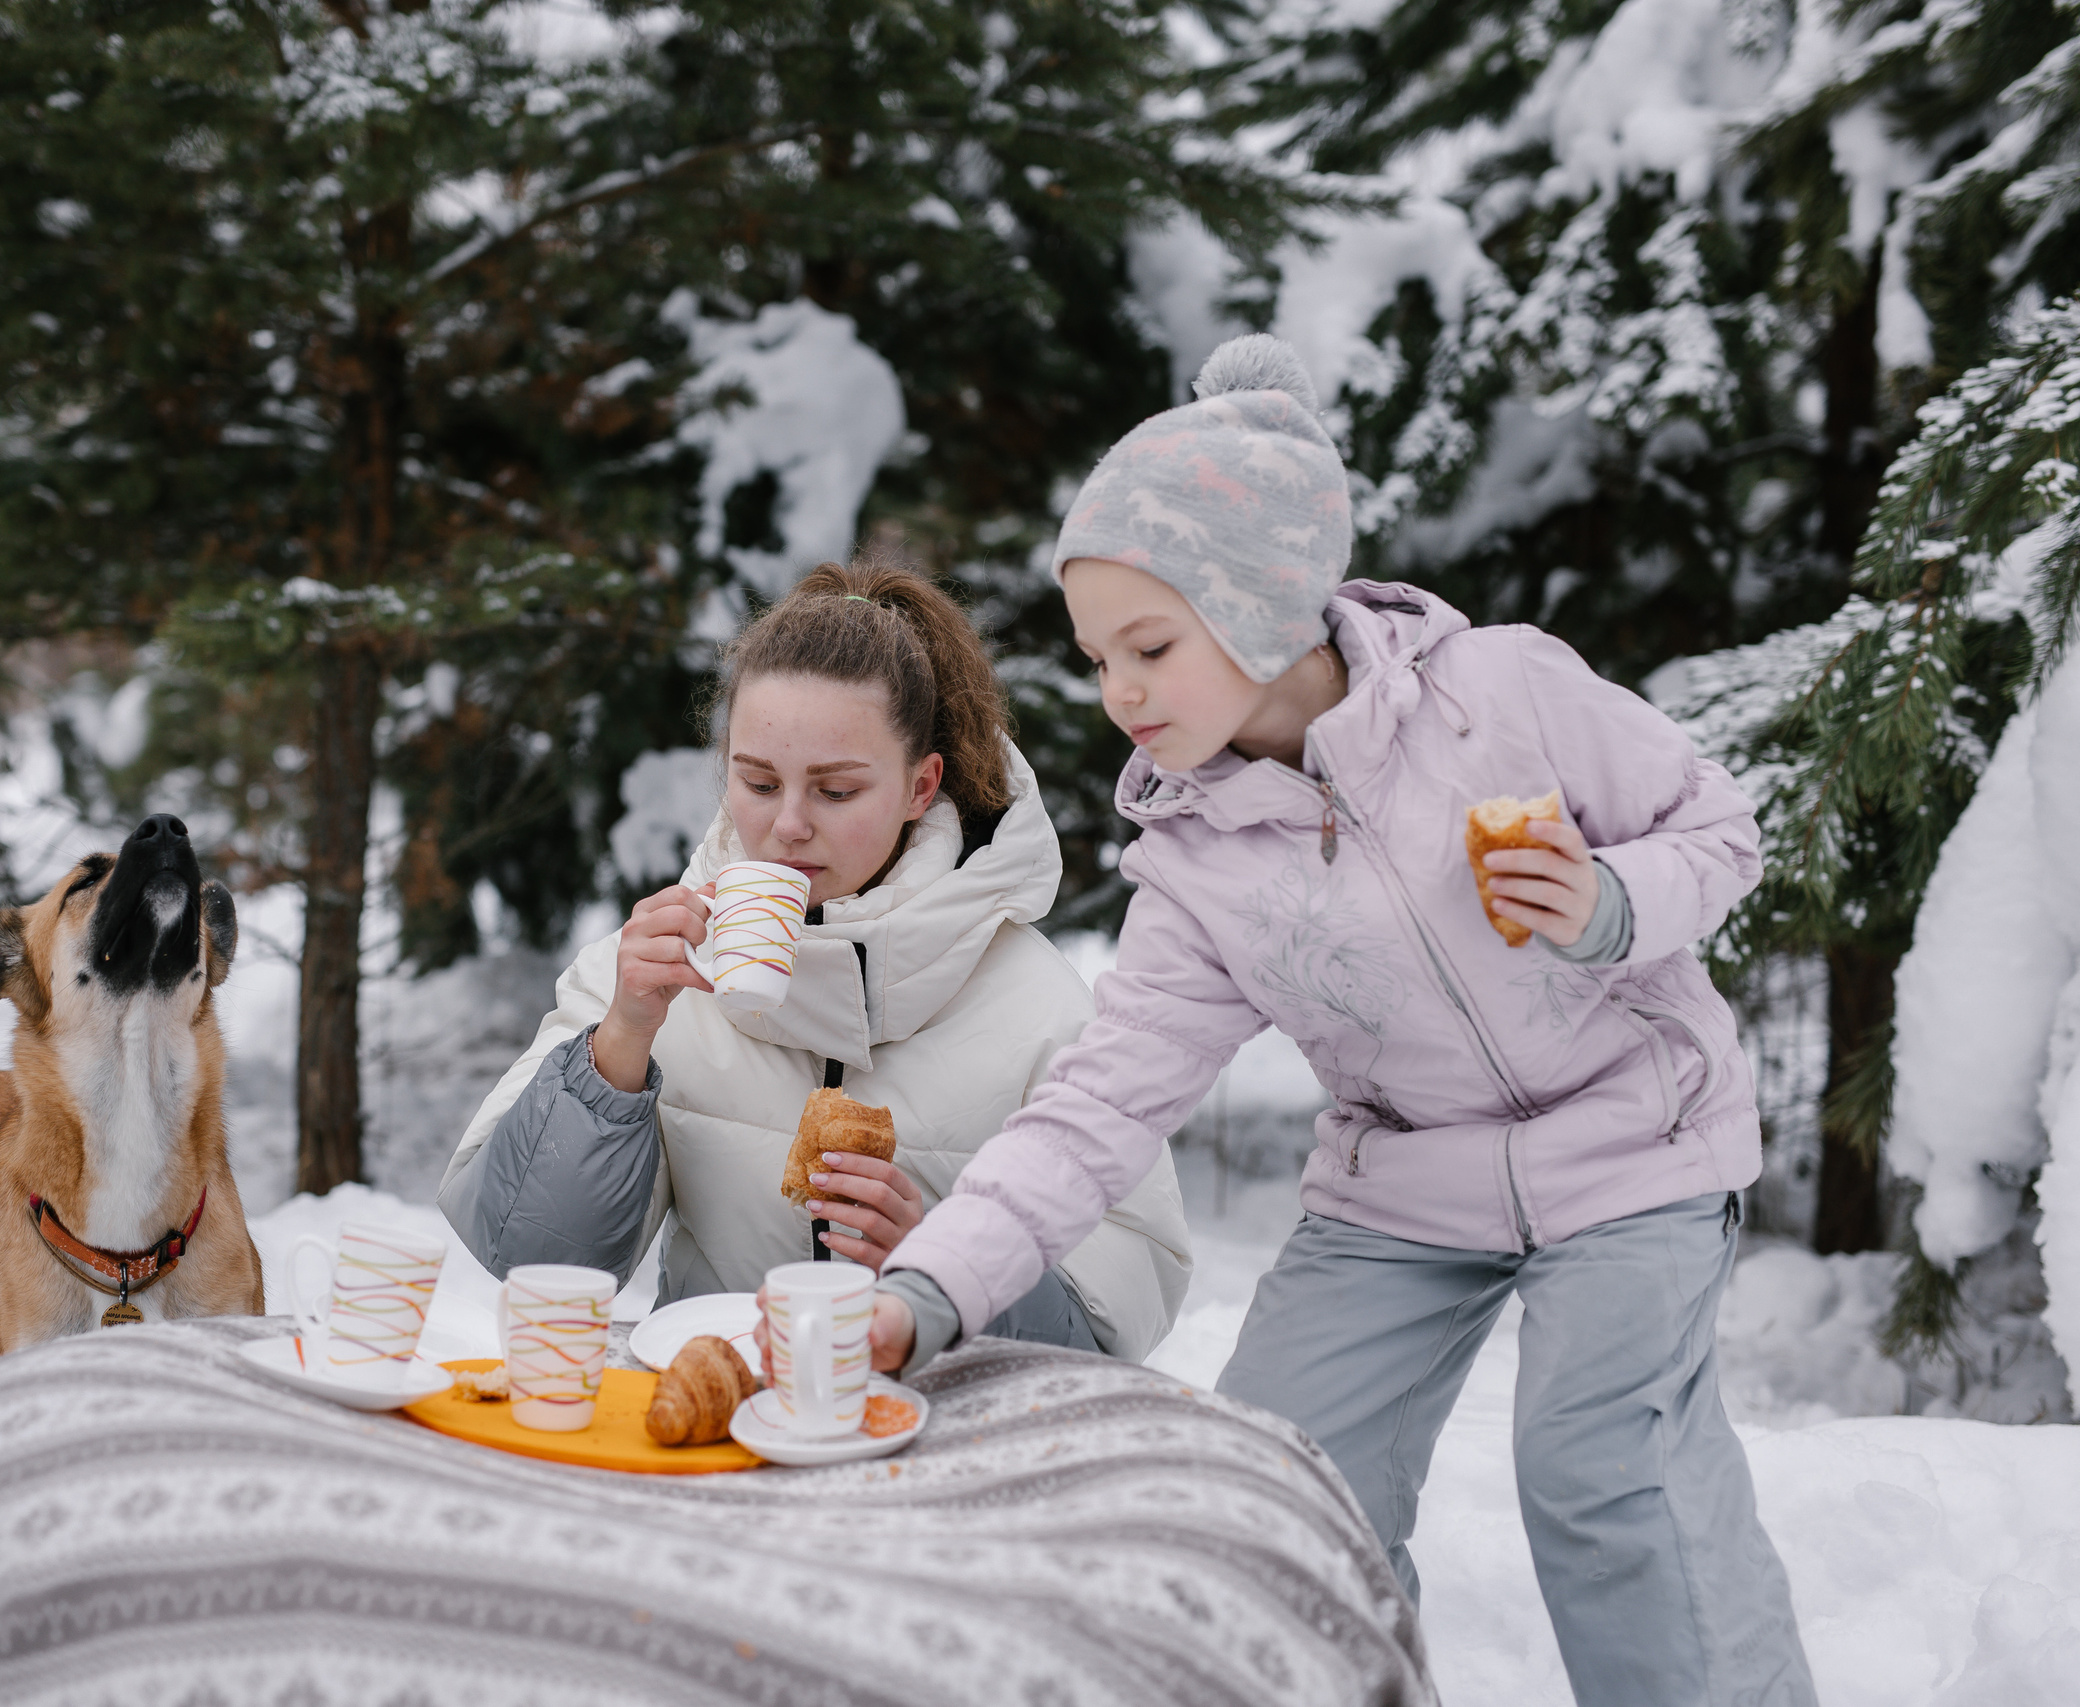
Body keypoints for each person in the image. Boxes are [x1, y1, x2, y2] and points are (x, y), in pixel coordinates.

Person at [875, 337, 1818, 1705]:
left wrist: (1610, 898)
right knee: (1277, 1482)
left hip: (1634, 1139)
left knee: (1602, 1465)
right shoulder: (1198, 862)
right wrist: (930, 1282)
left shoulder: (1506, 691)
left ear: (1264, 606)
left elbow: (1721, 828)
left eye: (1152, 644)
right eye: (1096, 658)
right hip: (1407, 1181)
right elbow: (1097, 1106)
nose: (1118, 693)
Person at [438, 553, 1191, 1362]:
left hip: (937, 1441)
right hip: (715, 1421)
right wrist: (618, 1044)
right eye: (758, 783)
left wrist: (950, 1267)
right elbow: (528, 1257)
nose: (788, 825)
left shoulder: (1042, 1007)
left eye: (835, 792)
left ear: (920, 785)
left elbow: (1117, 1327)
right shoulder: (653, 972)